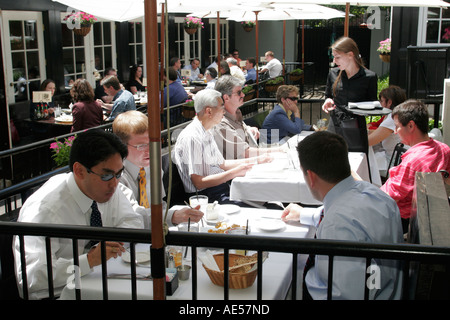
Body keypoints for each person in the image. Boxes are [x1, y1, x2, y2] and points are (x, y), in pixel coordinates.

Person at [13, 129, 144, 299]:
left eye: (119, 174)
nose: (114, 183)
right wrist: (89, 261)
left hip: (103, 281)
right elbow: (32, 277)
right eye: (106, 175)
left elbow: (133, 221)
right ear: (79, 171)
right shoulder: (45, 209)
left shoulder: (108, 188)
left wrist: (110, 245)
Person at [281, 131, 404, 300]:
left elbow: (346, 296)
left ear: (311, 177)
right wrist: (304, 214)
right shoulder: (375, 194)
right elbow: (355, 219)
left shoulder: (337, 224)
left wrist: (305, 276)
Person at [173, 89, 271, 204]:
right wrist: (235, 172)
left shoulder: (206, 131)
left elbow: (222, 164)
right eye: (221, 108)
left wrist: (256, 160)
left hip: (220, 189)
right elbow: (198, 182)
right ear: (209, 111)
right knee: (263, 204)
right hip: (206, 197)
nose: (224, 112)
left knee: (265, 197)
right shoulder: (192, 137)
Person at [112, 111, 203, 228]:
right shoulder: (116, 176)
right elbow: (133, 215)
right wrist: (172, 216)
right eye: (141, 146)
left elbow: (161, 205)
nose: (150, 150)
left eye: (152, 142)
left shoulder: (153, 167)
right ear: (122, 147)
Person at [380, 100, 450, 233]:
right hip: (430, 214)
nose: (395, 132)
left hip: (403, 220)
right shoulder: (444, 149)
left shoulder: (413, 161)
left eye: (397, 126)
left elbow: (389, 196)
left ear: (411, 125)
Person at [212, 75, 284, 159]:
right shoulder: (221, 123)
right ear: (226, 97)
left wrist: (249, 129)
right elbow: (245, 153)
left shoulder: (236, 113)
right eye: (239, 92)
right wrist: (280, 150)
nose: (243, 94)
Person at [321, 37, 378, 114]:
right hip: (335, 122)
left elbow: (373, 103)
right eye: (333, 57)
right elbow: (328, 96)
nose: (334, 61)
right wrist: (327, 100)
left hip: (357, 123)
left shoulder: (370, 77)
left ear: (350, 55)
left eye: (337, 57)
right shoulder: (333, 73)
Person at [368, 85, 407, 175]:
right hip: (396, 158)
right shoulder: (399, 114)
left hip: (393, 163)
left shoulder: (392, 118)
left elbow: (369, 141)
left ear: (389, 102)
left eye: (381, 101)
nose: (380, 104)